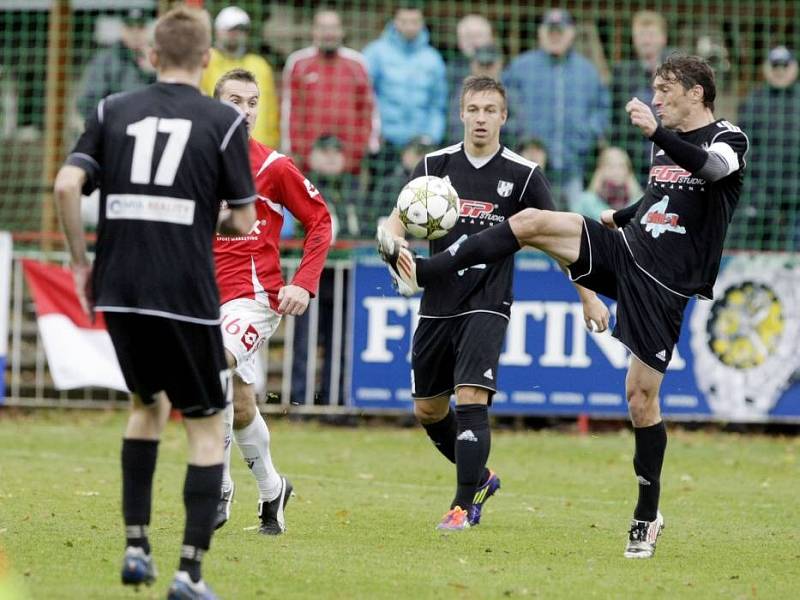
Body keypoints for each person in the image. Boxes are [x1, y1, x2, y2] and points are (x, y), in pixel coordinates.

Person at [380, 54, 749, 558]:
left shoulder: (727, 138)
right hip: (629, 251)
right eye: (656, 92)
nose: (657, 99)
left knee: (640, 400)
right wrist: (622, 215)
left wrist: (656, 135)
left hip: (665, 285)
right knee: (532, 221)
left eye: (665, 90)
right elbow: (662, 200)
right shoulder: (666, 147)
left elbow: (710, 170)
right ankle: (427, 270)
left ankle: (647, 514)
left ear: (696, 94)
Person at [53, 6, 257, 598]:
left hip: (119, 288)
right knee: (204, 422)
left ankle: (136, 546)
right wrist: (206, 217)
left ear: (150, 56)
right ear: (206, 59)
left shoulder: (113, 109)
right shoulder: (222, 121)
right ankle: (189, 573)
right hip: (183, 293)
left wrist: (78, 261)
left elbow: (68, 184)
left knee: (145, 407)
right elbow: (242, 219)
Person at [376, 76, 608, 531]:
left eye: (490, 110)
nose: (481, 118)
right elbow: (396, 223)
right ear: (461, 113)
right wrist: (394, 252)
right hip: (438, 302)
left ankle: (462, 507)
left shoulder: (523, 175)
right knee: (428, 410)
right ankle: (480, 478)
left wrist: (589, 296)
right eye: (473, 109)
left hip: (488, 299)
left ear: (504, 116)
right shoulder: (434, 165)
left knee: (470, 398)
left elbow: (560, 241)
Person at [211, 69, 332, 535]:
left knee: (210, 364)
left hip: (255, 298)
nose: (244, 110)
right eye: (234, 100)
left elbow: (319, 221)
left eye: (252, 101)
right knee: (240, 406)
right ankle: (272, 489)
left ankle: (217, 486)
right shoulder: (196, 165)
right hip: (206, 298)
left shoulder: (274, 168)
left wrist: (303, 281)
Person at [502, 8, 610, 208]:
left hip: (573, 167)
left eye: (560, 32)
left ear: (571, 34)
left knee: (573, 226)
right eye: (550, 32)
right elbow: (502, 107)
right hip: (530, 167)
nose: (555, 37)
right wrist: (520, 136)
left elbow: (602, 110)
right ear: (540, 33)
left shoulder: (587, 71)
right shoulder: (521, 67)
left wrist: (585, 136)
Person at [281, 8, 376, 175]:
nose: (328, 33)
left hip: (349, 162)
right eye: (323, 28)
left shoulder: (357, 63)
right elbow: (290, 109)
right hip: (309, 161)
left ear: (342, 31)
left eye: (333, 28)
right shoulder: (298, 63)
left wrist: (357, 152)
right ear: (314, 30)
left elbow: (368, 110)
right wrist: (300, 151)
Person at [363, 2, 447, 180]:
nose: (409, 26)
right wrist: (374, 134)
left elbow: (438, 104)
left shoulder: (433, 59)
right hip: (385, 143)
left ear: (422, 22)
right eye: (404, 21)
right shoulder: (375, 53)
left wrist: (431, 137)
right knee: (380, 197)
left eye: (414, 21)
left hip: (420, 145)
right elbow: (366, 97)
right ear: (394, 21)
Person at [736, 45, 800, 251]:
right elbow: (743, 151)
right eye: (775, 65)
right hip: (762, 199)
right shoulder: (754, 102)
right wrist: (754, 192)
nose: (780, 70)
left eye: (785, 65)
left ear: (795, 67)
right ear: (766, 68)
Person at [200, 6, 280, 148]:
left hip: (258, 151)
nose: (236, 34)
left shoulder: (261, 65)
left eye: (241, 30)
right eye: (230, 29)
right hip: (218, 147)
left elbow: (271, 113)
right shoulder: (206, 62)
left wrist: (271, 145)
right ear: (218, 31)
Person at [610, 11, 671, 183]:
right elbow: (615, 118)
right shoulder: (621, 73)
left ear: (663, 38)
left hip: (669, 155)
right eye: (641, 35)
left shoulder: (677, 72)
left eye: (651, 35)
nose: (646, 40)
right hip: (633, 159)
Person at [75, 8, 156, 120]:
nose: (135, 33)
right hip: (116, 128)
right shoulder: (106, 60)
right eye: (130, 27)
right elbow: (88, 103)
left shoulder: (158, 59)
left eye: (140, 27)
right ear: (122, 29)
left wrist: (153, 74)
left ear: (146, 30)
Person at [445, 15, 494, 142]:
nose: (473, 41)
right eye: (467, 36)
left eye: (477, 35)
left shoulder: (500, 69)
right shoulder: (450, 71)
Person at [446, 44, 503, 144]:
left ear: (499, 65)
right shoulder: (462, 93)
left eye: (489, 65)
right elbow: (454, 126)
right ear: (472, 65)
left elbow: (518, 126)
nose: (485, 69)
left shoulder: (509, 93)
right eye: (481, 64)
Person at [572, 146, 643, 220]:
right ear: (601, 169)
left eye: (621, 166)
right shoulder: (586, 202)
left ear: (628, 170)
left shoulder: (639, 201)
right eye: (611, 166)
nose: (616, 171)